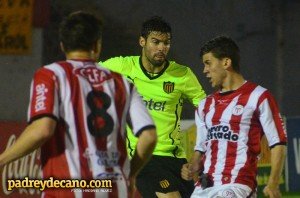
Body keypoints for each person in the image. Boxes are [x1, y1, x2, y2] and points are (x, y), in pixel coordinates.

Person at [0, 11, 157, 198]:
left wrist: (2, 160)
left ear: (63, 45)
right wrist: (131, 174)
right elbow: (148, 136)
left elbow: (42, 130)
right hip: (114, 189)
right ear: (97, 44)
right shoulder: (123, 83)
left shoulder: (51, 75)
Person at [100, 16, 206, 198]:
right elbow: (86, 74)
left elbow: (208, 110)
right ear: (142, 41)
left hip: (176, 159)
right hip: (143, 157)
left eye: (166, 43)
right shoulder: (123, 67)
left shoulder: (182, 75)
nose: (161, 48)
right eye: (155, 42)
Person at [181, 36, 287, 198]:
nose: (204, 70)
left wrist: (272, 183)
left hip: (237, 185)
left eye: (208, 63)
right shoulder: (205, 105)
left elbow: (278, 143)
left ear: (226, 62)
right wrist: (191, 167)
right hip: (204, 187)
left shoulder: (258, 96)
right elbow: (200, 149)